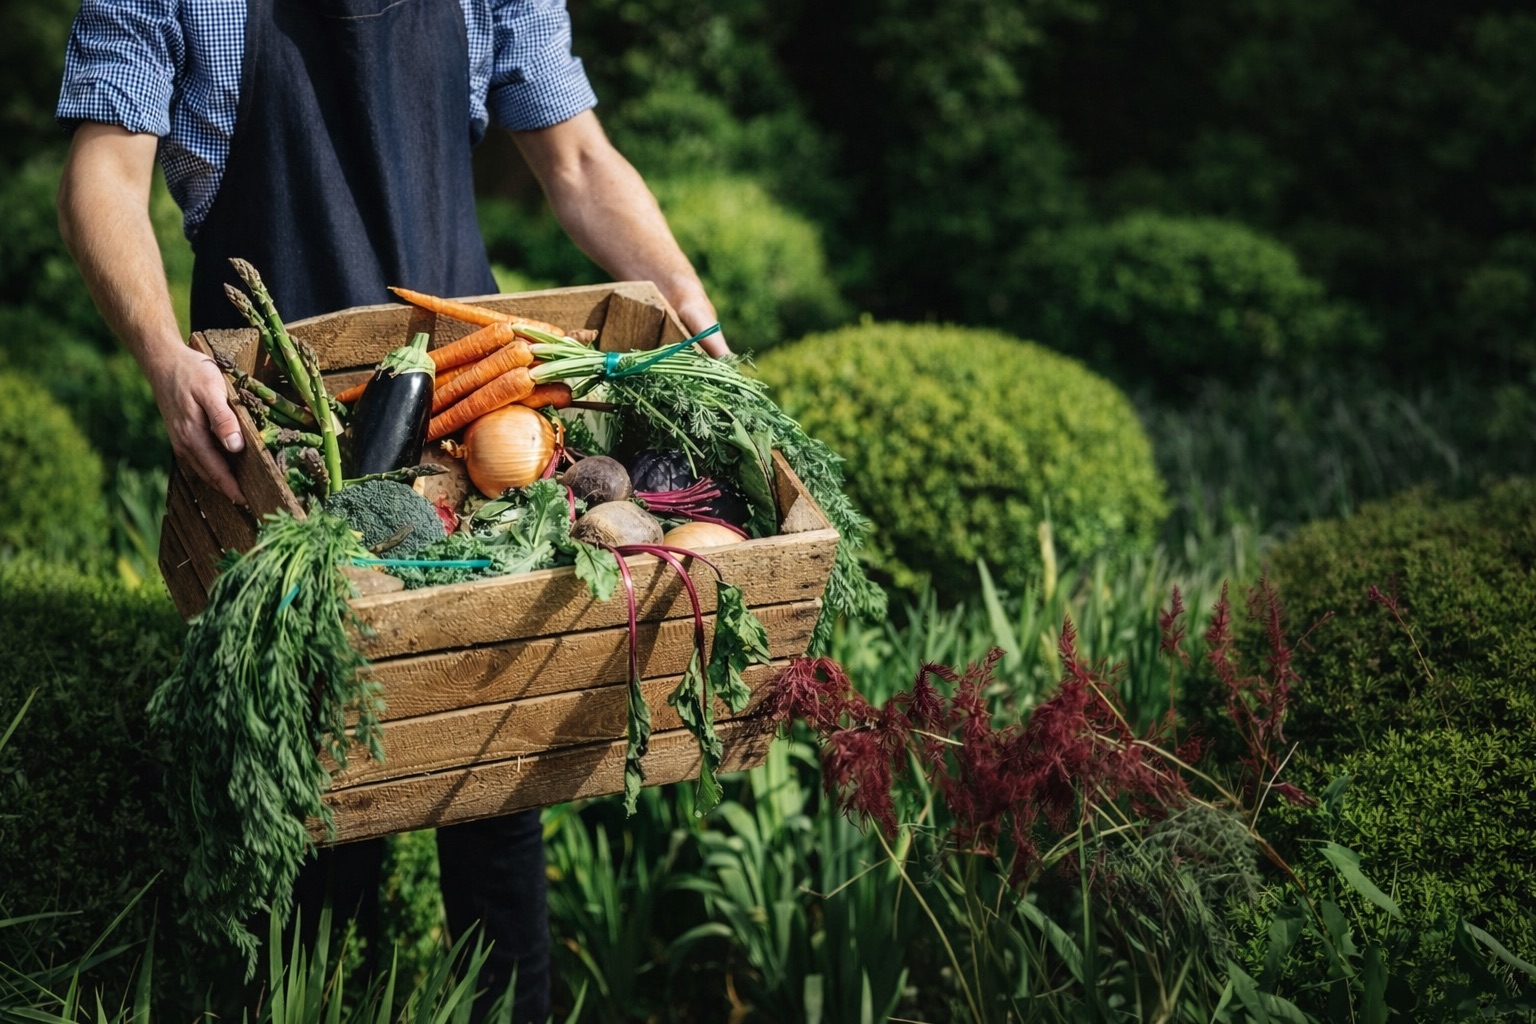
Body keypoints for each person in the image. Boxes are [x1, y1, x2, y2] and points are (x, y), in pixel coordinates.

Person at [54, 1, 728, 1018]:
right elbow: (104, 172)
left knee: (496, 804)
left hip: (473, 422)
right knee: (310, 810)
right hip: (279, 436)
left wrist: (688, 302)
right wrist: (160, 357)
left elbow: (578, 158)